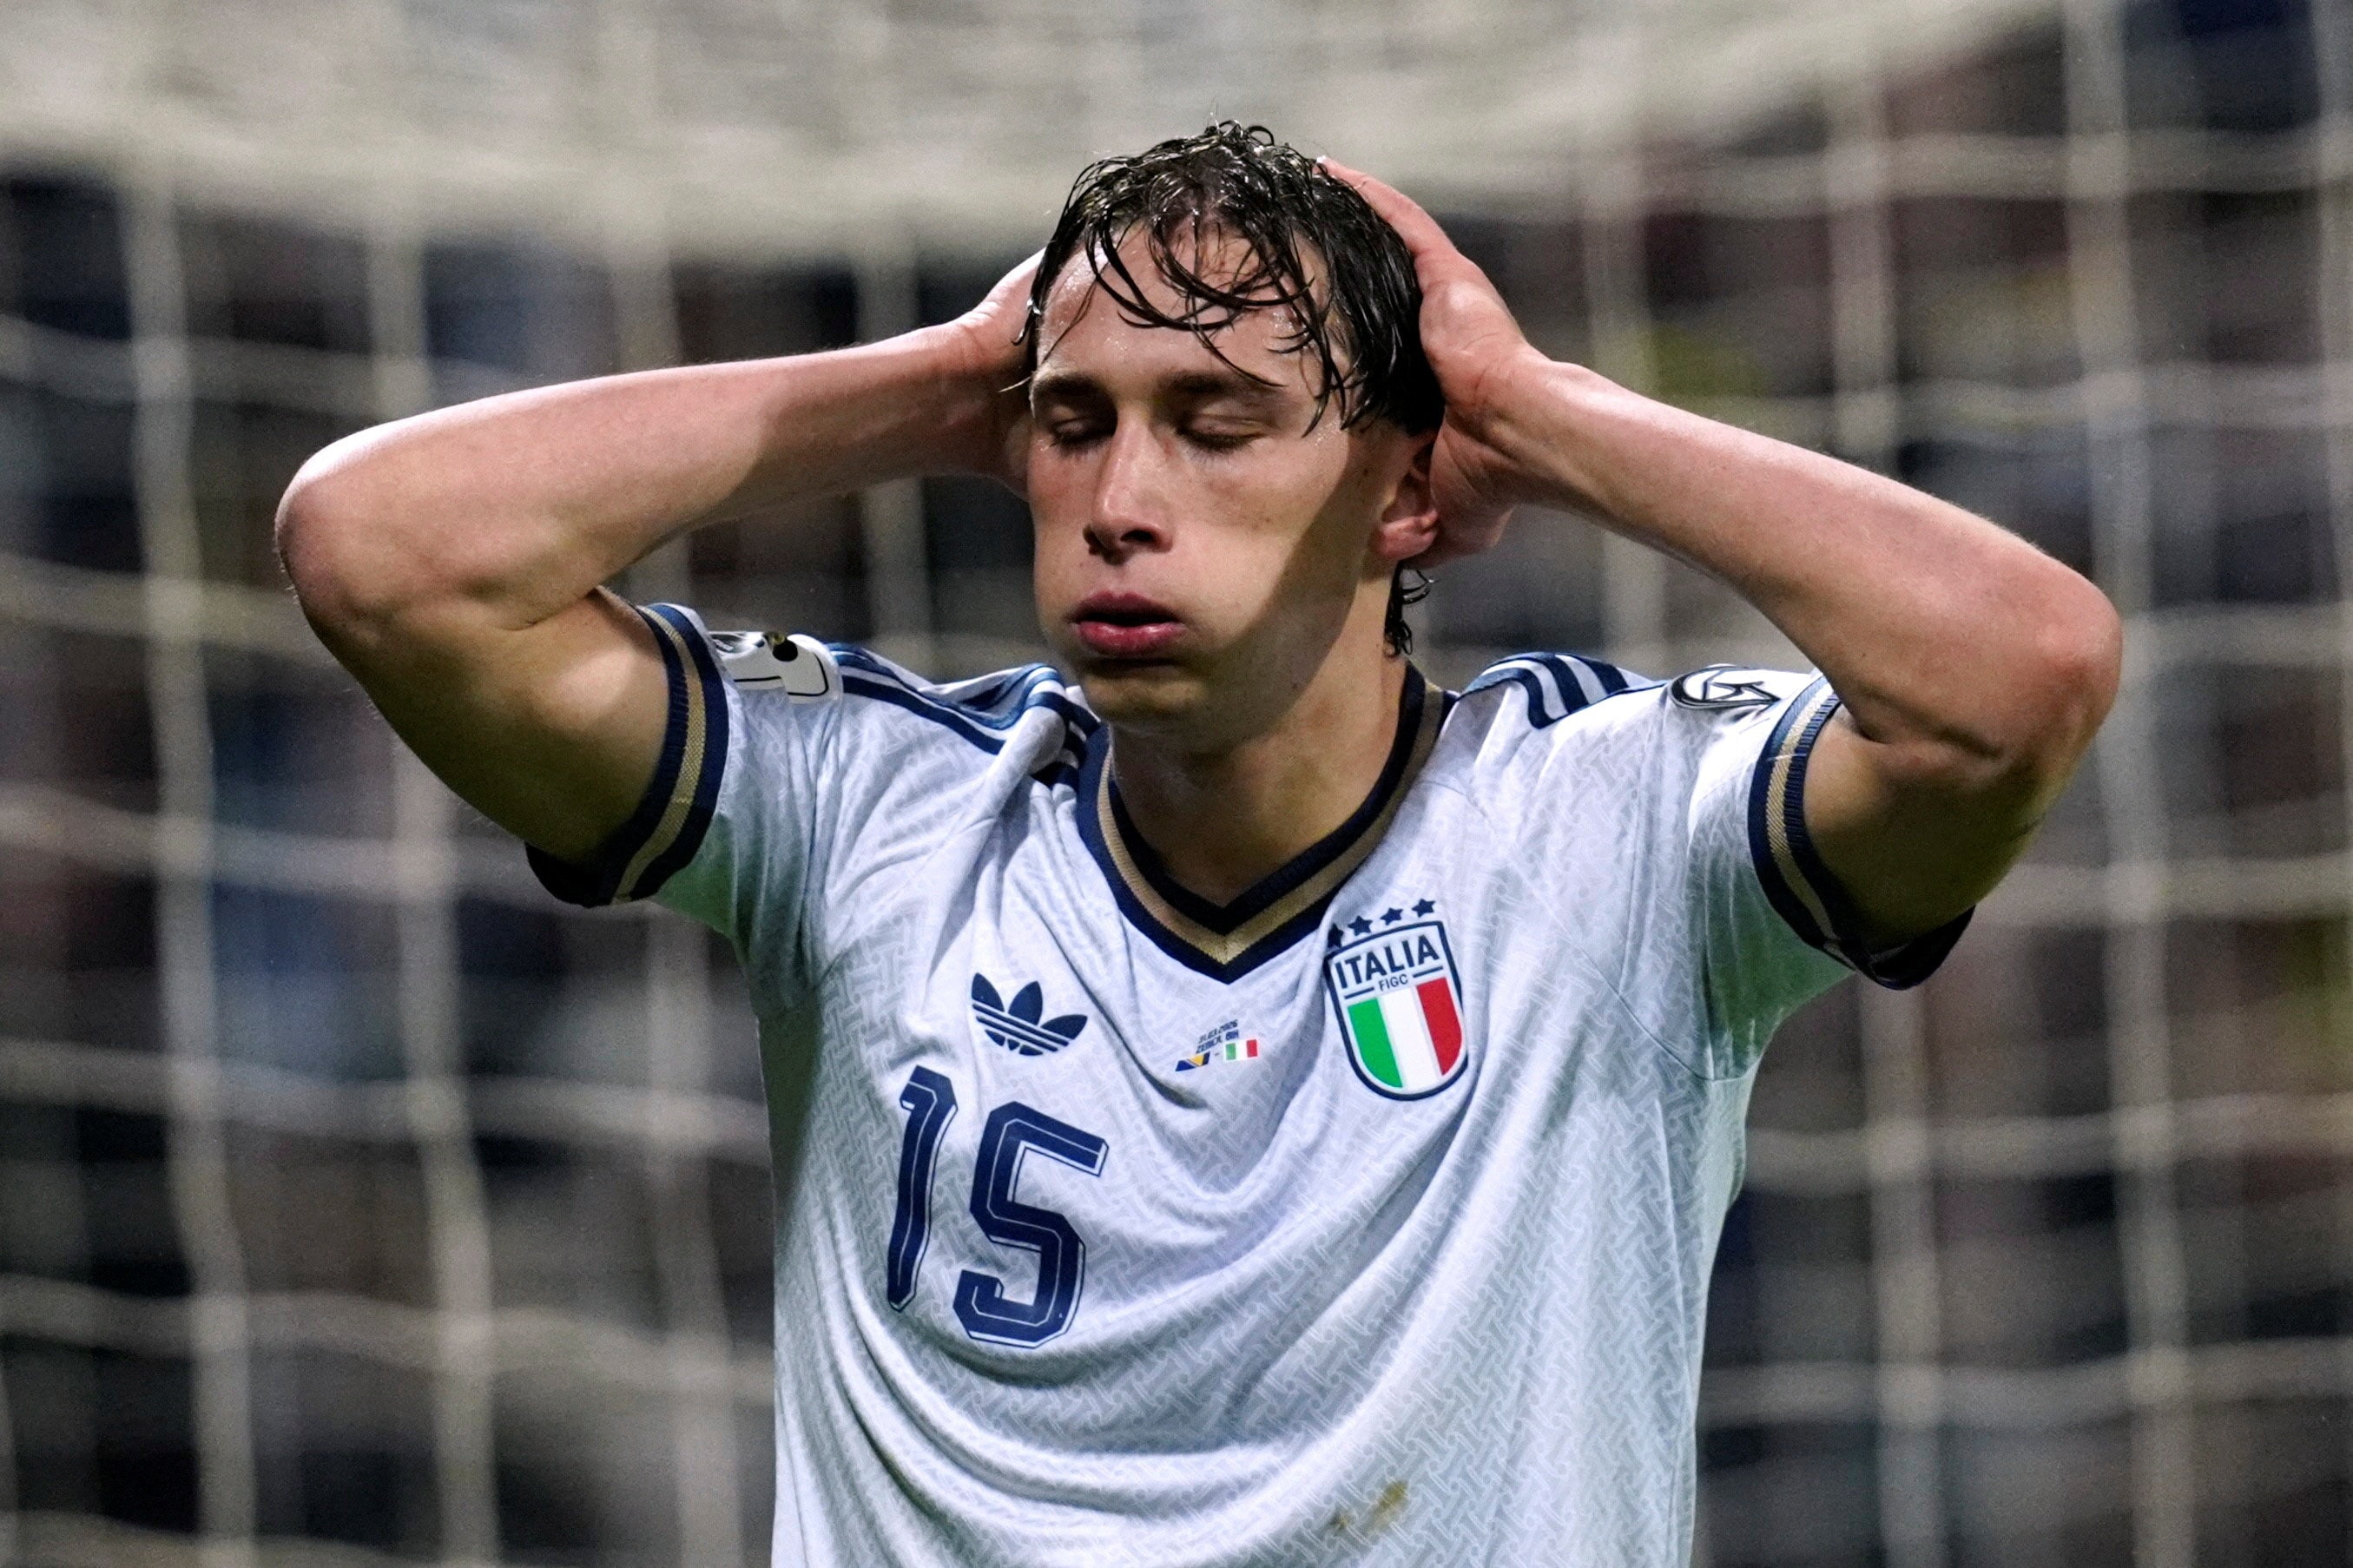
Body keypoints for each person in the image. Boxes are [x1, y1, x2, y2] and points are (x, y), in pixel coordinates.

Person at [277, 123, 2119, 1566]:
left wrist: (1533, 412)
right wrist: (944, 377)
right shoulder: (874, 818)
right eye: (1072, 428)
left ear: (1405, 487)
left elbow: (2016, 676)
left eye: (1216, 423)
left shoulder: (1608, 840)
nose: (1120, 505)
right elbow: (381, 550)